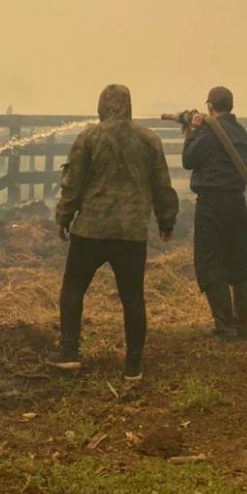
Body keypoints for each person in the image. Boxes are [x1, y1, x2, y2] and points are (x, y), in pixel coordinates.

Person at [51, 84, 179, 382]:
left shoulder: (89, 137)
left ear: (102, 106)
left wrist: (64, 217)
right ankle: (133, 365)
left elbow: (73, 183)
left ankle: (69, 354)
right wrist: (166, 221)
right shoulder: (149, 140)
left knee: (73, 288)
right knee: (133, 297)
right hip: (131, 233)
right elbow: (162, 184)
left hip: (90, 231)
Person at [181, 86, 247, 340]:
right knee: (239, 262)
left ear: (210, 106)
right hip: (236, 203)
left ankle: (224, 327)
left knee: (210, 261)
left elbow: (189, 159)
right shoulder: (241, 132)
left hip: (212, 203)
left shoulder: (211, 131)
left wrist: (192, 131)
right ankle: (241, 326)